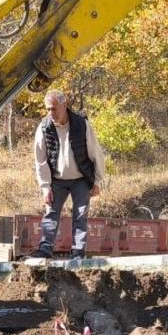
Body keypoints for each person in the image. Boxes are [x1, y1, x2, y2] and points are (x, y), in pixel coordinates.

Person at [29, 89, 107, 260]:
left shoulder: (81, 124)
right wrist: (45, 187)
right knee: (50, 213)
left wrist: (98, 181)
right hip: (56, 180)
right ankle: (45, 250)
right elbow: (40, 160)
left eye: (54, 108)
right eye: (48, 109)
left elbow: (96, 153)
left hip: (81, 179)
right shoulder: (44, 128)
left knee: (80, 216)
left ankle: (78, 253)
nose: (51, 113)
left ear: (64, 105)